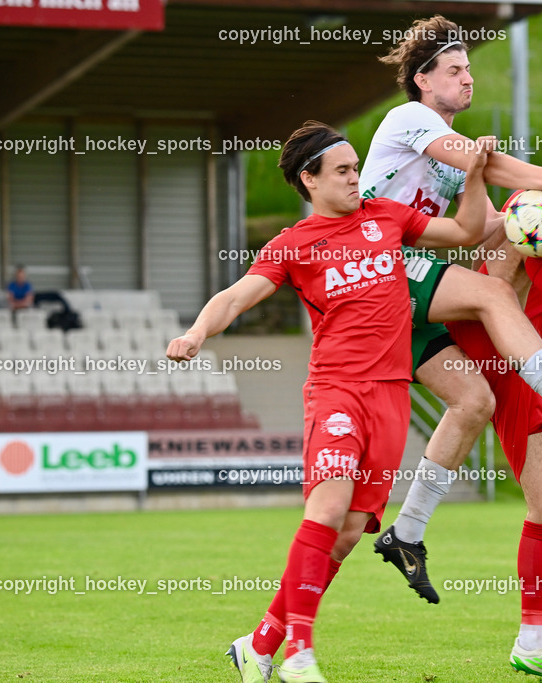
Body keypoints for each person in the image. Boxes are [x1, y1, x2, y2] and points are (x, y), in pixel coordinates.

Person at [168, 121, 494, 683]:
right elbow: (237, 295)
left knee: (346, 534)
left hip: (392, 397)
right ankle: (300, 654)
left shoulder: (387, 218)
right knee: (325, 511)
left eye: (355, 166)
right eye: (342, 170)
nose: (355, 177)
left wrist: (476, 175)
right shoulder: (293, 244)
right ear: (309, 180)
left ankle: (260, 646)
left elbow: (465, 232)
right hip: (337, 392)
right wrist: (198, 333)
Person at [364, 16, 542, 613]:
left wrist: (531, 208)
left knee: (474, 403)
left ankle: (407, 533)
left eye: (470, 69)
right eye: (455, 70)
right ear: (422, 80)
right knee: (496, 295)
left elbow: (472, 230)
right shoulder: (411, 119)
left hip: (407, 282)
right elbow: (493, 169)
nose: (469, 79)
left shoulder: (449, 163)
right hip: (375, 269)